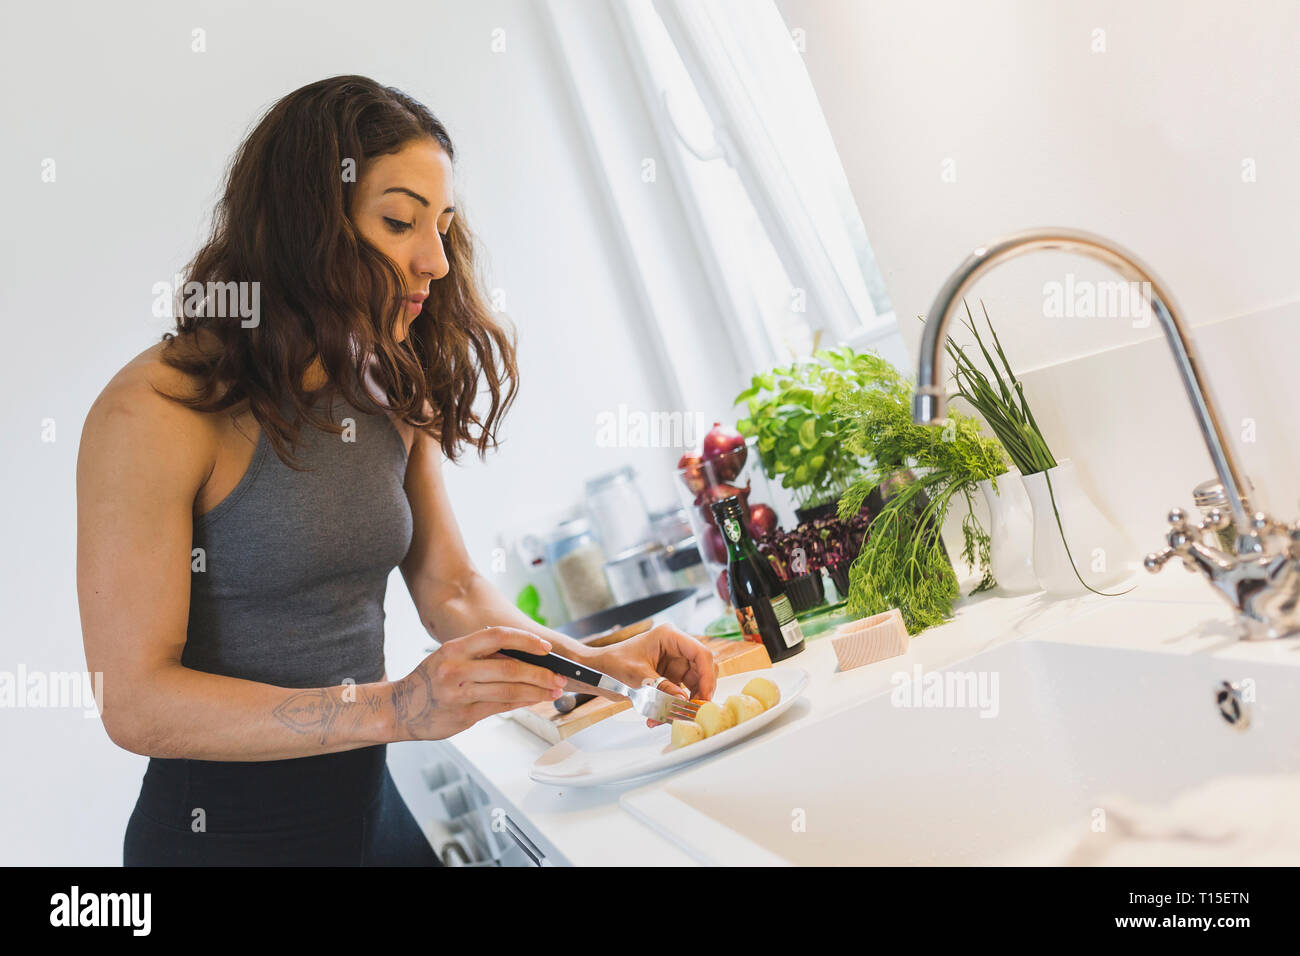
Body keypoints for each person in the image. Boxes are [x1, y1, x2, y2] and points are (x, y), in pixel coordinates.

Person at [76, 75, 717, 866]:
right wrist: (398, 707)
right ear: (305, 225)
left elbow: (448, 587)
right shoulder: (155, 413)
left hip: (371, 819)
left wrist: (594, 668)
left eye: (443, 225)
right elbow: (134, 704)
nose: (437, 260)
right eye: (399, 222)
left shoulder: (385, 381)